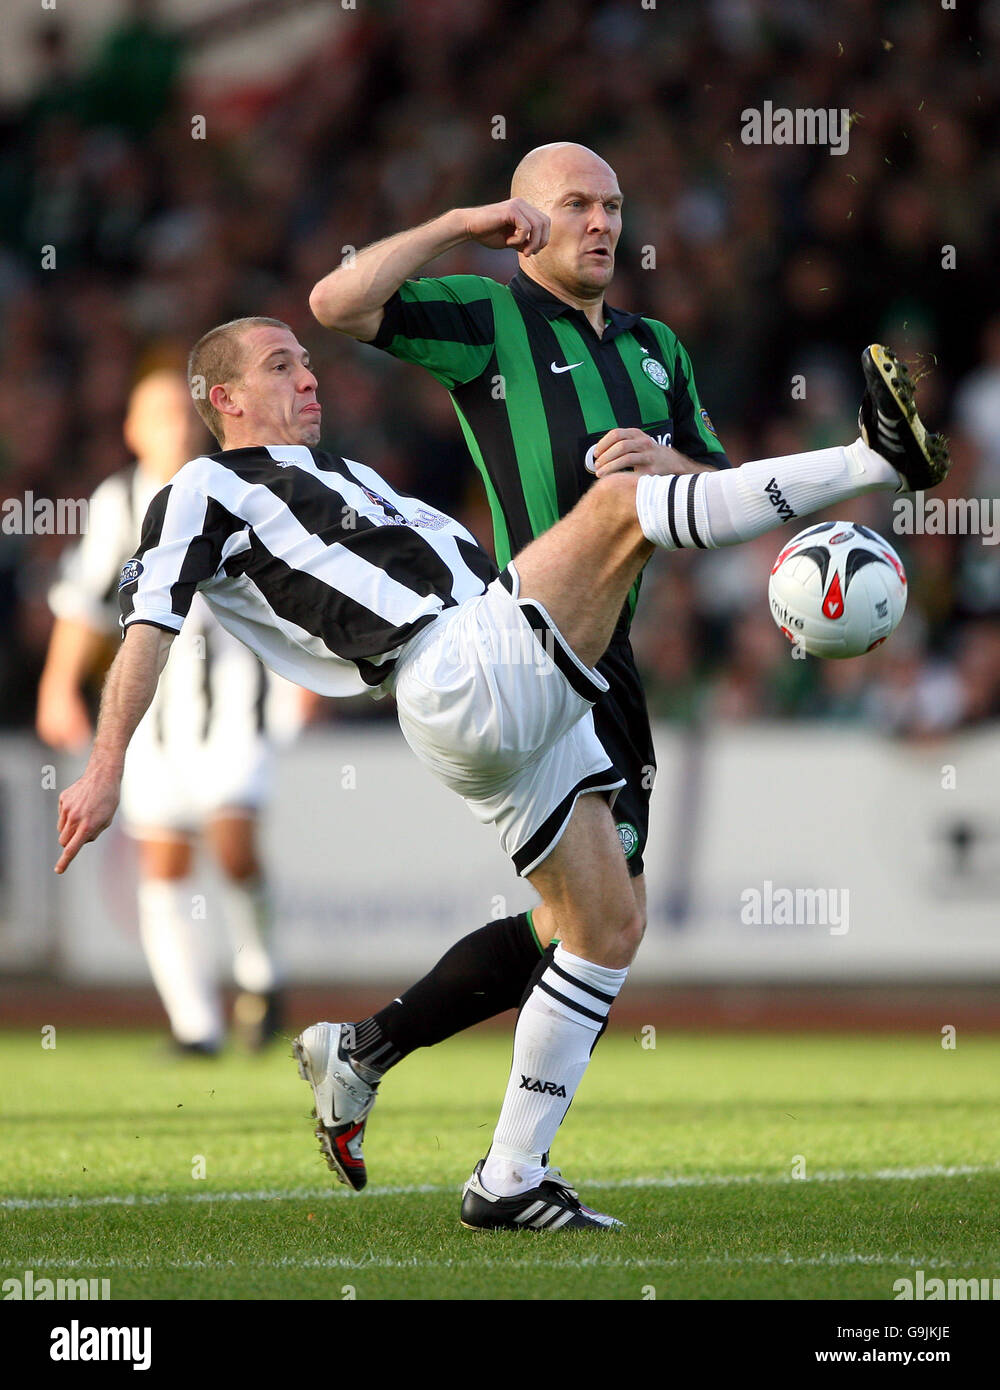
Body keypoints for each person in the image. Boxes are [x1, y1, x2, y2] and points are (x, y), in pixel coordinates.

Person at [54, 318, 946, 1229]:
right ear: (224, 400)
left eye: (311, 363)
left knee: (603, 925)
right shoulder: (199, 488)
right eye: (282, 366)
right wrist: (106, 763)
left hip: (484, 676)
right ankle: (873, 462)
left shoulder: (345, 476)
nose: (311, 379)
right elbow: (148, 624)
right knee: (619, 504)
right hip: (453, 671)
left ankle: (491, 1162)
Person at [304, 143, 729, 1144]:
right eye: (575, 203)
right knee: (604, 923)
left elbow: (719, 481)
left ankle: (364, 1049)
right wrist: (459, 221)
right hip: (530, 649)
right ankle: (508, 1172)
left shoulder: (656, 345)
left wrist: (668, 459)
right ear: (525, 221)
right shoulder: (491, 317)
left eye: (613, 205)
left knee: (585, 919)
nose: (601, 222)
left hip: (609, 659)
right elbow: (334, 302)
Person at [38, 370, 292, 1053]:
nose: (172, 427)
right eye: (155, 414)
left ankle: (262, 975)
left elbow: (285, 593)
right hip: (148, 718)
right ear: (131, 428)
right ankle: (196, 1025)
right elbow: (84, 602)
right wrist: (57, 685)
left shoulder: (237, 486)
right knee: (165, 863)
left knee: (235, 849)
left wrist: (304, 674)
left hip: (234, 705)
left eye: (181, 413)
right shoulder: (117, 501)